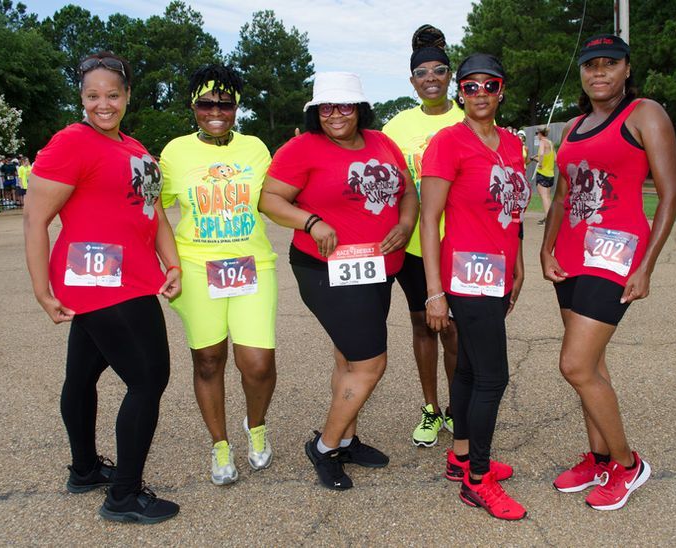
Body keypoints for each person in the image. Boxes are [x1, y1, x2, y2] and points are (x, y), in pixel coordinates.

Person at [23, 51, 182, 524]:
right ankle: (124, 496)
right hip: (103, 281)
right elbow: (35, 218)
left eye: (112, 94)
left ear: (128, 95)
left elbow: (152, 211)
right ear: (81, 97)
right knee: (148, 379)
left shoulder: (134, 147)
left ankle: (86, 470)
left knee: (82, 376)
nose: (103, 104)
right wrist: (41, 290)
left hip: (131, 275)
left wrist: (171, 263)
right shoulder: (72, 141)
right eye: (92, 95)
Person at [540, 34, 676, 511]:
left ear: (626, 69)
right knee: (593, 366)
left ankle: (627, 463)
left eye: (609, 63)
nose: (598, 72)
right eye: (590, 65)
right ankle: (599, 458)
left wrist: (647, 266)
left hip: (616, 254)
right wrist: (545, 249)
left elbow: (671, 194)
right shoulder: (574, 125)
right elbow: (563, 196)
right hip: (572, 254)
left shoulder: (644, 114)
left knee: (575, 365)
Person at [259, 72, 418, 490]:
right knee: (370, 363)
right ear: (315, 111)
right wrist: (310, 221)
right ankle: (325, 446)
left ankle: (346, 439)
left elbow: (408, 191)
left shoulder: (382, 143)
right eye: (326, 107)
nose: (335, 114)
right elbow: (269, 199)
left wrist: (405, 223)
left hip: (376, 268)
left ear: (360, 108)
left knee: (348, 358)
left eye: (345, 105)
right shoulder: (302, 148)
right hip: (325, 267)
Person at [421, 53, 530, 521]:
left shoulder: (512, 143)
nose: (480, 93)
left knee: (467, 369)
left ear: (501, 90)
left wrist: (518, 262)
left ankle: (461, 456)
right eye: (470, 86)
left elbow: (513, 209)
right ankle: (478, 481)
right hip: (466, 275)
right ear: (459, 92)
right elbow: (429, 220)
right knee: (492, 378)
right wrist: (434, 292)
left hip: (500, 271)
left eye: (490, 85)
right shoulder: (447, 142)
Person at [159, 64, 278, 485]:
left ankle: (256, 427)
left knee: (257, 363)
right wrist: (169, 262)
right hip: (196, 266)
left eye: (225, 104)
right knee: (208, 360)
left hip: (252, 264)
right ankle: (220, 444)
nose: (215, 111)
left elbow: (276, 199)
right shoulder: (175, 152)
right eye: (206, 103)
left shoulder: (255, 149)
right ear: (193, 106)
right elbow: (153, 209)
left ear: (236, 107)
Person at [381, 24, 462, 448]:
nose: (431, 78)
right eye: (421, 73)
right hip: (414, 246)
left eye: (439, 71)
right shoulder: (396, 127)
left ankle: (457, 408)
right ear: (412, 81)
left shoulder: (470, 116)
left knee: (454, 330)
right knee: (423, 326)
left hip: (460, 244)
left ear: (450, 75)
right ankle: (431, 408)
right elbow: (387, 185)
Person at [532, 127, 555, 224]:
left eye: (537, 133)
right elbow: (555, 158)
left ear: (540, 133)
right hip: (550, 173)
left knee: (544, 197)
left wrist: (540, 163)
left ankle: (548, 219)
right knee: (547, 197)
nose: (537, 135)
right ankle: (549, 217)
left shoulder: (542, 142)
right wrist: (536, 158)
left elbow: (541, 154)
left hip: (543, 173)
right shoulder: (550, 143)